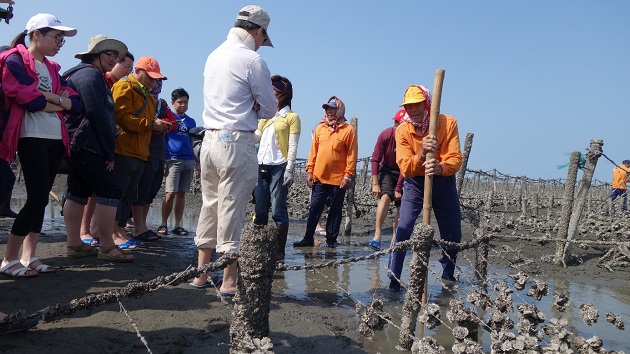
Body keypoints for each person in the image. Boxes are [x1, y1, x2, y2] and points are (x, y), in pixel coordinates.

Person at [192, 5, 276, 295]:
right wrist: (252, 104)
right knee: (233, 208)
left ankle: (201, 275)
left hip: (209, 140)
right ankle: (228, 280)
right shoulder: (252, 60)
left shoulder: (213, 55)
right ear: (259, 31)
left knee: (210, 205)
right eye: (263, 39)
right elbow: (269, 107)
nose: (262, 45)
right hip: (236, 140)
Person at [0, 13, 81, 277]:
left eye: (62, 39)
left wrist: (52, 98)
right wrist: (56, 100)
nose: (60, 43)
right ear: (36, 34)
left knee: (42, 199)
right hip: (30, 136)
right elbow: (27, 99)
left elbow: (77, 106)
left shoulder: (54, 69)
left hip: (55, 138)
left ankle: (29, 256)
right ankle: (8, 258)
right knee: (35, 197)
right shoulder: (14, 60)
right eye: (56, 37)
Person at [62, 34, 134, 262]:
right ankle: (106, 245)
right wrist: (108, 150)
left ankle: (74, 244)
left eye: (117, 55)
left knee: (78, 189)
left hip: (79, 143)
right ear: (96, 54)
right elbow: (97, 115)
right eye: (110, 54)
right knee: (110, 189)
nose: (115, 59)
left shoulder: (84, 74)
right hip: (86, 144)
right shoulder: (90, 76)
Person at [387, 85, 462, 291]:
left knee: (453, 232)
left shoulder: (447, 123)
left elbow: (455, 158)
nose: (413, 110)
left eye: (418, 104)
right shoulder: (402, 130)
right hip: (415, 184)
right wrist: (421, 154)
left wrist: (440, 167)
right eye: (409, 106)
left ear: (427, 103)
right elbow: (405, 167)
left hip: (443, 181)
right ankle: (394, 277)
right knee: (403, 229)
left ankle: (447, 274)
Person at [111, 56, 171, 246]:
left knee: (129, 195)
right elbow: (122, 118)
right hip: (123, 149)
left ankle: (120, 232)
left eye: (155, 78)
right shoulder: (124, 87)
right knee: (118, 194)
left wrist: (158, 126)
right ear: (137, 71)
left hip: (140, 152)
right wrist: (152, 124)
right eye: (150, 77)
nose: (153, 81)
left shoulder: (149, 97)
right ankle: (114, 234)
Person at [78, 50, 134, 247]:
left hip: (107, 143)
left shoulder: (114, 84)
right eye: (126, 65)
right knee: (89, 190)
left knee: (98, 190)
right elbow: (96, 113)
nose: (129, 71)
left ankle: (94, 230)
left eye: (131, 68)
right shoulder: (97, 78)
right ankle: (85, 231)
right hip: (92, 143)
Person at [294, 96, 358, 248]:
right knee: (315, 207)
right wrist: (309, 171)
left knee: (335, 211)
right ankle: (308, 238)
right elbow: (313, 152)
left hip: (338, 180)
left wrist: (348, 176)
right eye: (327, 109)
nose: (329, 111)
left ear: (340, 110)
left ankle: (331, 241)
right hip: (319, 178)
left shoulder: (348, 130)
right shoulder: (320, 129)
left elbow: (352, 155)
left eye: (332, 109)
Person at [253, 75, 301, 260]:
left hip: (279, 167)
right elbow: (256, 138)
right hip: (261, 165)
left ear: (284, 94)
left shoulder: (292, 117)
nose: (270, 95)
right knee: (260, 210)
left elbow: (293, 145)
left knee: (278, 211)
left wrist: (289, 169)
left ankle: (279, 251)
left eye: (273, 92)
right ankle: (260, 247)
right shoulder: (266, 116)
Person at [134, 79, 177, 242]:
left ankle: (142, 225)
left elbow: (173, 123)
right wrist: (155, 125)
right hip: (144, 149)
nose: (156, 86)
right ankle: (137, 227)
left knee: (152, 189)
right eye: (154, 82)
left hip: (159, 152)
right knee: (141, 189)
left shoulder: (161, 103)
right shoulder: (141, 100)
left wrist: (163, 123)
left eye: (159, 83)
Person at [158, 87, 196, 236]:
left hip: (189, 160)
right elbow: (163, 140)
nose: (183, 105)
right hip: (173, 159)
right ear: (173, 102)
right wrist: (164, 161)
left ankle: (178, 225)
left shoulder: (191, 121)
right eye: (180, 102)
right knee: (170, 193)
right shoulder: (168, 120)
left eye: (185, 102)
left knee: (182, 193)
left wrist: (197, 161)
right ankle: (163, 224)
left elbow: (194, 142)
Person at [369, 109, 405, 251]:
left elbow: (406, 167)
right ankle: (377, 233)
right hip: (388, 171)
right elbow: (375, 159)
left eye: (401, 124)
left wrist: (398, 188)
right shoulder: (385, 135)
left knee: (401, 206)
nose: (397, 126)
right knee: (385, 197)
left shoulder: (410, 139)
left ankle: (395, 236)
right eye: (396, 122)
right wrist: (376, 183)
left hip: (406, 172)